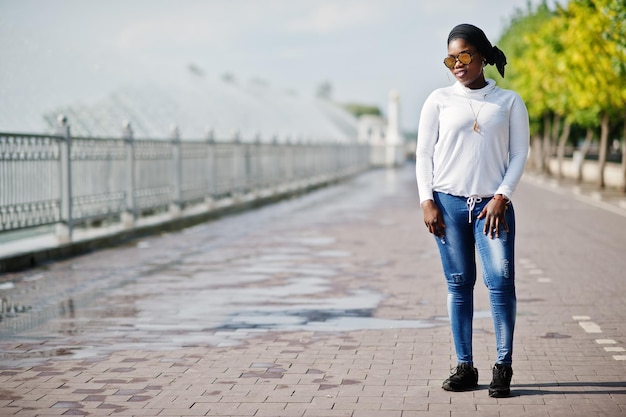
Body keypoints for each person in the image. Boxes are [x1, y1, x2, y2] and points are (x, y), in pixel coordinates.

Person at [415, 23, 529, 398]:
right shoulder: (438, 100)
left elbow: (519, 155)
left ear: (481, 55)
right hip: (446, 203)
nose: (457, 64)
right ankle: (465, 365)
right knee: (458, 285)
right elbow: (424, 154)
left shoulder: (509, 101)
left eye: (464, 55)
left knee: (500, 284)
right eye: (450, 58)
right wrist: (426, 200)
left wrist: (501, 196)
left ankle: (503, 366)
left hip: (492, 208)